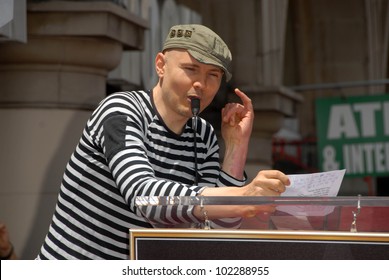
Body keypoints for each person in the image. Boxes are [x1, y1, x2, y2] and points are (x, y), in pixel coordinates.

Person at [37, 24, 290, 260]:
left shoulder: (202, 135)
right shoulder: (121, 110)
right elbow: (143, 196)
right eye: (190, 69)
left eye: (213, 75)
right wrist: (243, 195)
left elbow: (216, 226)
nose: (201, 84)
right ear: (161, 65)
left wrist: (236, 147)